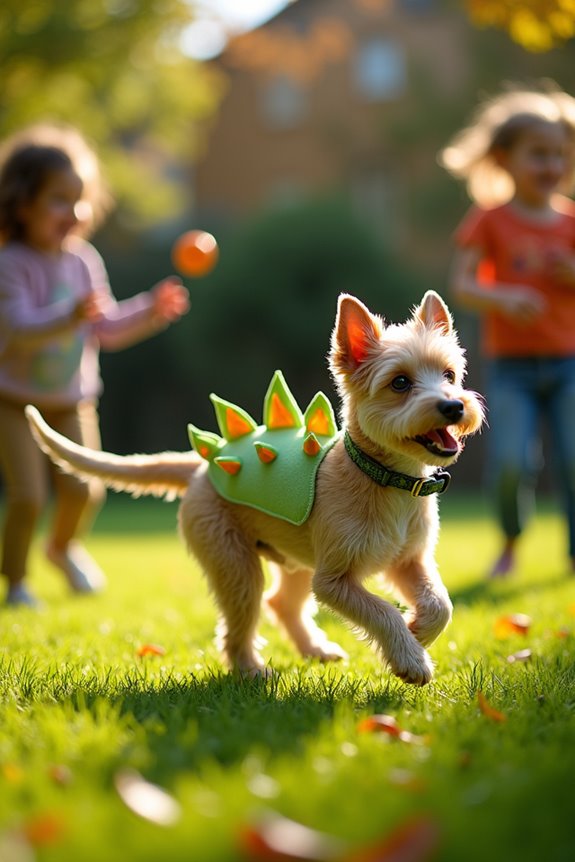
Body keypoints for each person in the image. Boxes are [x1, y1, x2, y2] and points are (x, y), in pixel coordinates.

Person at [0, 124, 190, 606]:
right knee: (27, 496)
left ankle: (62, 549)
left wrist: (148, 310)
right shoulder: (12, 263)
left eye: (81, 200)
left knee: (86, 489)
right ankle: (17, 583)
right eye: (59, 200)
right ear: (23, 203)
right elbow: (16, 327)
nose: (76, 212)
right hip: (14, 400)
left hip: (71, 399)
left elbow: (104, 328)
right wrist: (67, 317)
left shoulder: (83, 260)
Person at [439, 83, 575, 577]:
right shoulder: (489, 221)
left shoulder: (571, 223)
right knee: (513, 464)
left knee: (574, 461)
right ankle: (511, 543)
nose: (551, 166)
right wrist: (505, 296)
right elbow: (463, 283)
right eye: (538, 153)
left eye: (560, 154)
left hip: (569, 361)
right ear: (503, 158)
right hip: (512, 367)